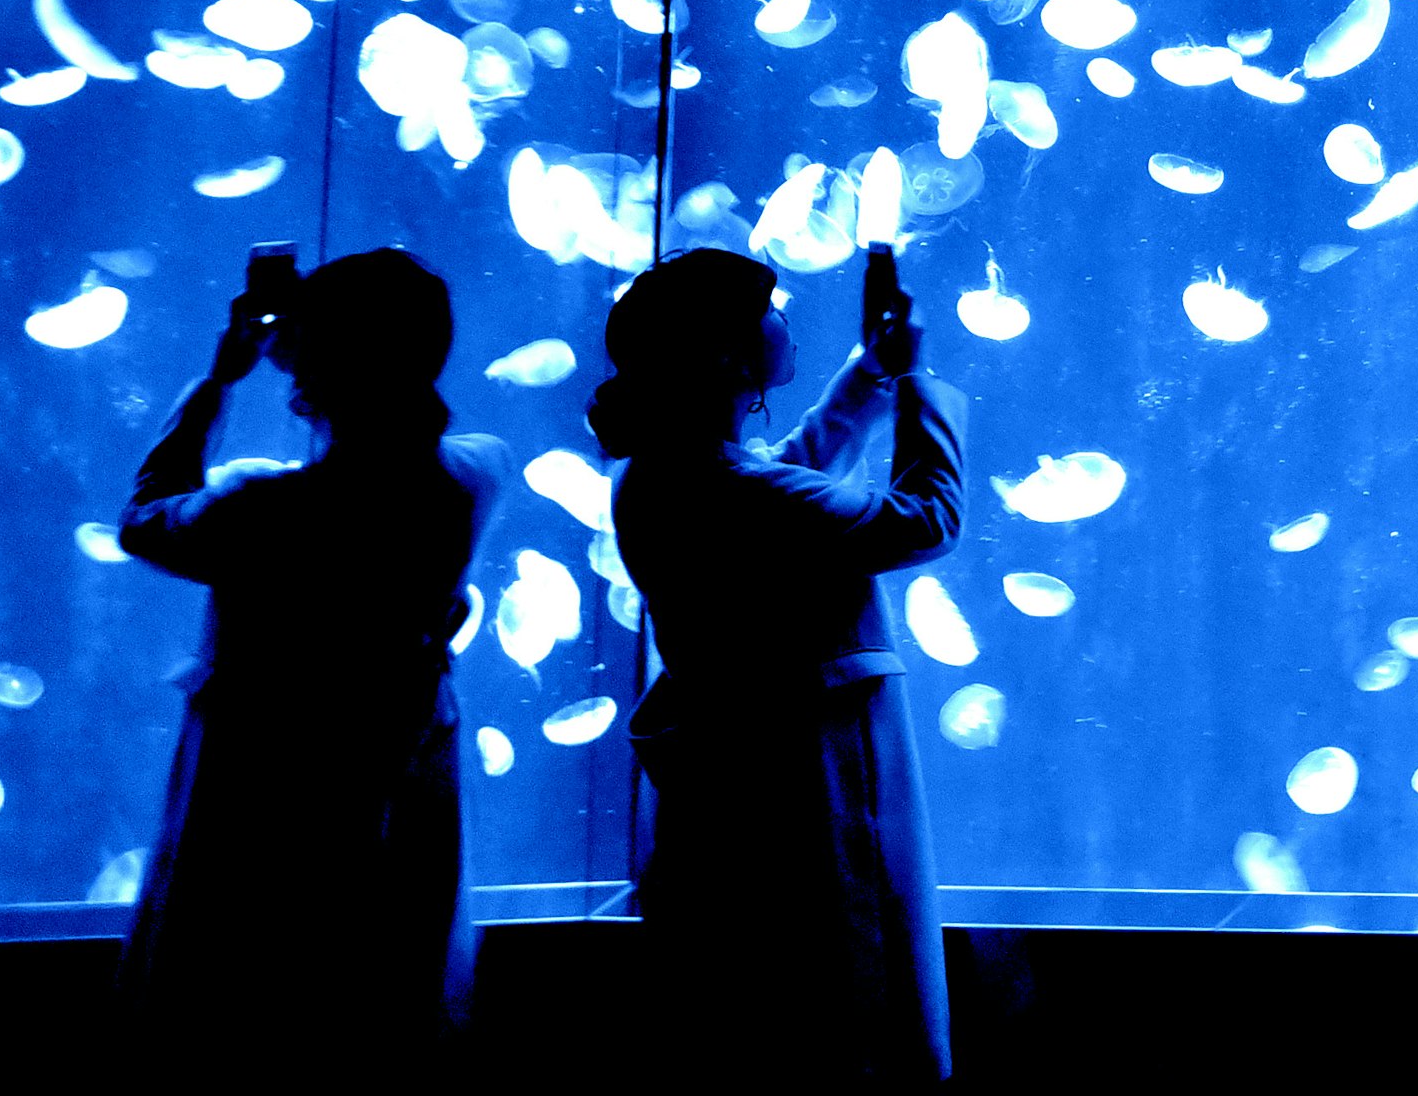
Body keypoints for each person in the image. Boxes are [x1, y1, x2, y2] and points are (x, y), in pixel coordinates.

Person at [117, 247, 509, 1063]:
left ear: (313, 360)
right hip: (402, 761)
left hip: (268, 787)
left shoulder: (265, 511)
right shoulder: (474, 476)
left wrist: (224, 378)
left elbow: (145, 516)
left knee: (252, 1001)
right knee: (386, 987)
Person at [596, 246, 965, 1080]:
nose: (785, 321)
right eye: (771, 308)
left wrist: (872, 373)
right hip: (811, 783)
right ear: (727, 355)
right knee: (845, 1016)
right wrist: (912, 384)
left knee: (771, 1020)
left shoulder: (668, 471)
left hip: (750, 774)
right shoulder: (731, 490)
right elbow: (924, 522)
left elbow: (786, 478)